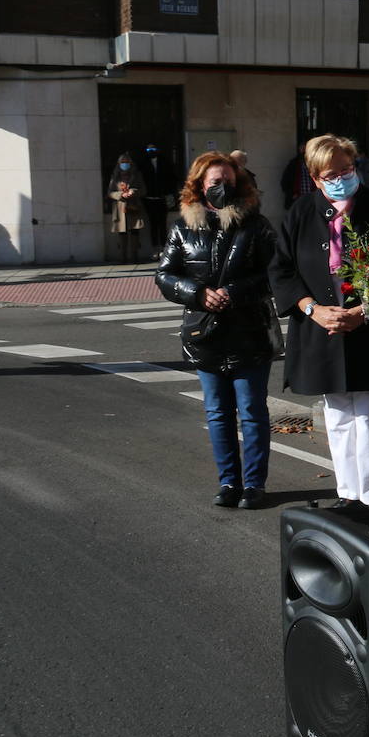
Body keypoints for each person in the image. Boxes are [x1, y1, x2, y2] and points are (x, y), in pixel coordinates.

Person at [269, 134, 369, 506]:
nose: (340, 178)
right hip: (321, 328)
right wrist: (312, 309)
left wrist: (365, 311)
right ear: (315, 177)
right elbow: (282, 270)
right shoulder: (301, 212)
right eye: (329, 174)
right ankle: (349, 494)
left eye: (346, 169)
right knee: (337, 416)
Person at [155, 152, 277, 509]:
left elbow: (274, 275)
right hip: (204, 333)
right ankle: (228, 483)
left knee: (252, 410)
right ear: (199, 186)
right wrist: (196, 293)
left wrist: (234, 293)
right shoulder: (182, 228)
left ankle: (254, 485)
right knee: (217, 413)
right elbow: (164, 275)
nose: (222, 188)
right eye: (215, 182)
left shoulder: (257, 225)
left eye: (228, 181)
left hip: (250, 331)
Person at [107, 153, 149, 264]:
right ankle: (122, 257)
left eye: (126, 162)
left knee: (135, 231)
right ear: (119, 164)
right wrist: (120, 195)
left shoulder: (136, 175)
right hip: (120, 208)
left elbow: (144, 190)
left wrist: (134, 192)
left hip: (134, 206)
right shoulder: (115, 176)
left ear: (130, 163)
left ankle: (134, 256)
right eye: (122, 162)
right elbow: (110, 192)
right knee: (122, 232)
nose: (124, 164)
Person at [141, 142, 177, 259]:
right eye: (148, 150)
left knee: (162, 224)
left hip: (162, 198)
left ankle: (163, 248)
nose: (151, 152)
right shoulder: (144, 164)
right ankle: (155, 248)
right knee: (153, 224)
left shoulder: (164, 162)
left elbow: (171, 178)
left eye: (153, 149)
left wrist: (169, 193)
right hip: (149, 198)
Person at [280, 142, 314, 210]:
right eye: (302, 148)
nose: (304, 151)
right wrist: (292, 194)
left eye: (306, 149)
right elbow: (284, 182)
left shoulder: (314, 164)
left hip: (312, 199)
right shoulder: (293, 164)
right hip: (298, 200)